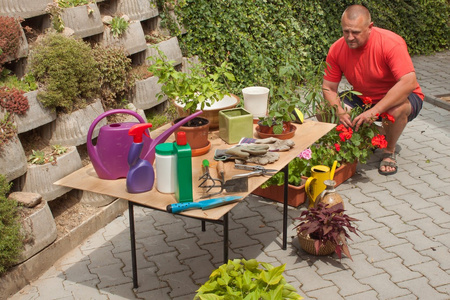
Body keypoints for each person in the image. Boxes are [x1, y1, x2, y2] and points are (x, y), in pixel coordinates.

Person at [322, 4, 424, 176]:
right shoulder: (337, 48)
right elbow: (328, 87)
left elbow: (409, 82)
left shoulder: (391, 43)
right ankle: (379, 135)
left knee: (395, 110)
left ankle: (388, 151)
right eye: (346, 31)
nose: (350, 37)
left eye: (355, 32)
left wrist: (376, 110)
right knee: (324, 110)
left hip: (400, 97)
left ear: (370, 27)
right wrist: (339, 112)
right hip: (364, 97)